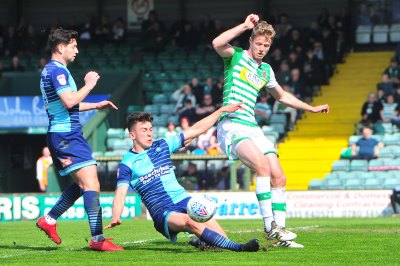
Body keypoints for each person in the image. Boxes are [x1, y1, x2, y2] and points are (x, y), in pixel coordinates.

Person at [212, 14, 329, 248]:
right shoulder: (235, 57)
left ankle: (281, 234)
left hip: (251, 127)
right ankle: (270, 227)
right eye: (259, 44)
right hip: (231, 124)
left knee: (279, 176)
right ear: (251, 41)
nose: (262, 48)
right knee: (262, 167)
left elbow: (283, 96)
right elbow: (217, 43)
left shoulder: (266, 70)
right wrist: (245, 26)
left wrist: (311, 108)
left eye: (267, 45)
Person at [105, 104, 260, 252]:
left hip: (184, 200)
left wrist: (221, 111)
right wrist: (116, 216)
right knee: (190, 222)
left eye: (150, 129)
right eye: (144, 130)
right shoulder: (127, 163)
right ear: (132, 135)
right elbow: (120, 192)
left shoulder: (163, 145)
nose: (149, 133)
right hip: (162, 211)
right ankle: (240, 248)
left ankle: (204, 243)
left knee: (220, 240)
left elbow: (196, 130)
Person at [36, 29, 123, 251]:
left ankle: (50, 219)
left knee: (82, 184)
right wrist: (90, 85)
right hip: (66, 135)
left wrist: (95, 104)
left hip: (65, 134)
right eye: (73, 46)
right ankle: (97, 239)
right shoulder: (57, 72)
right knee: (91, 184)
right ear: (60, 47)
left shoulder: (55, 70)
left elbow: (69, 105)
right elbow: (68, 101)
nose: (77, 50)